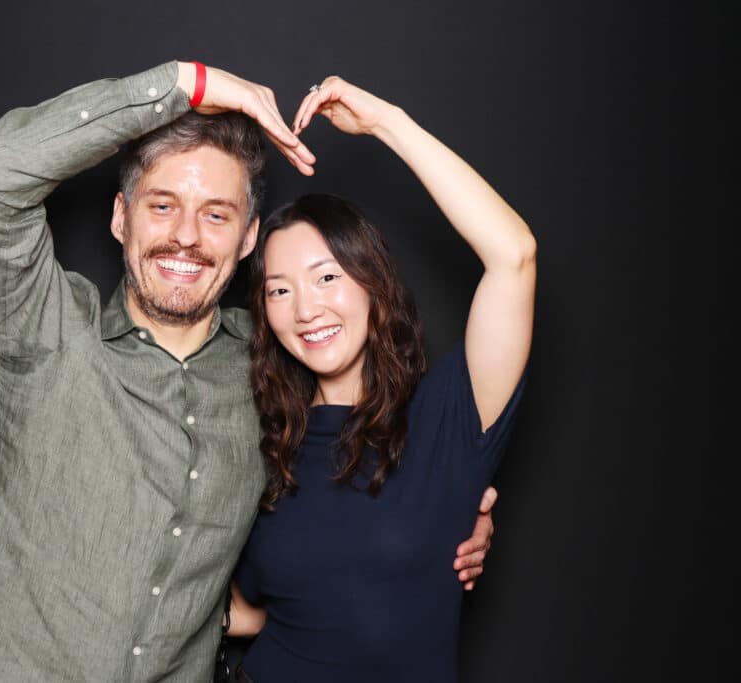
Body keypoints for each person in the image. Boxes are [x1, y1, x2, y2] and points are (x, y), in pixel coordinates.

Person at [0, 61, 497, 682]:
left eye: (216, 215)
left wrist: (457, 506)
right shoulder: (45, 328)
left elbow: (376, 452)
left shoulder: (276, 368)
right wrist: (183, 85)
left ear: (247, 239)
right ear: (120, 217)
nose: (186, 237)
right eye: (162, 205)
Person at [226, 77, 536, 682]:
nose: (306, 309)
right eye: (279, 291)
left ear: (371, 280)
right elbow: (253, 610)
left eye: (326, 277)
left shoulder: (449, 417)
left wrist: (387, 122)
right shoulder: (266, 443)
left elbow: (513, 255)